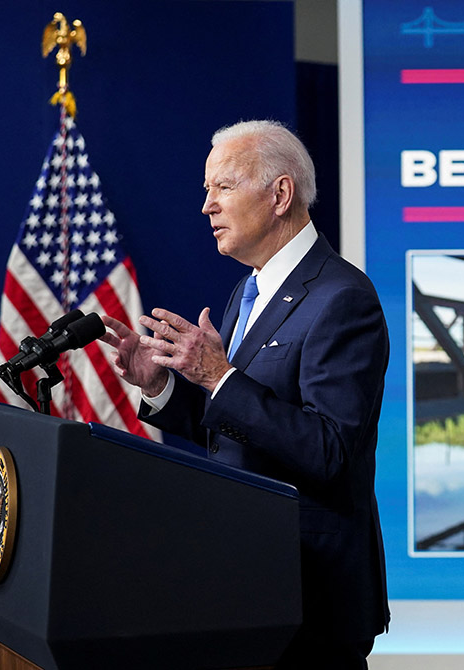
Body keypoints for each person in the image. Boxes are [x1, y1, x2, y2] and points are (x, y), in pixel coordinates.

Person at [100, 119, 390, 668]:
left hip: (313, 600)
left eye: (223, 187)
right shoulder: (249, 288)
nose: (207, 206)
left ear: (280, 194)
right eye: (207, 190)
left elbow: (329, 452)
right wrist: (161, 385)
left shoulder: (342, 298)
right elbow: (235, 428)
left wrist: (218, 375)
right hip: (249, 583)